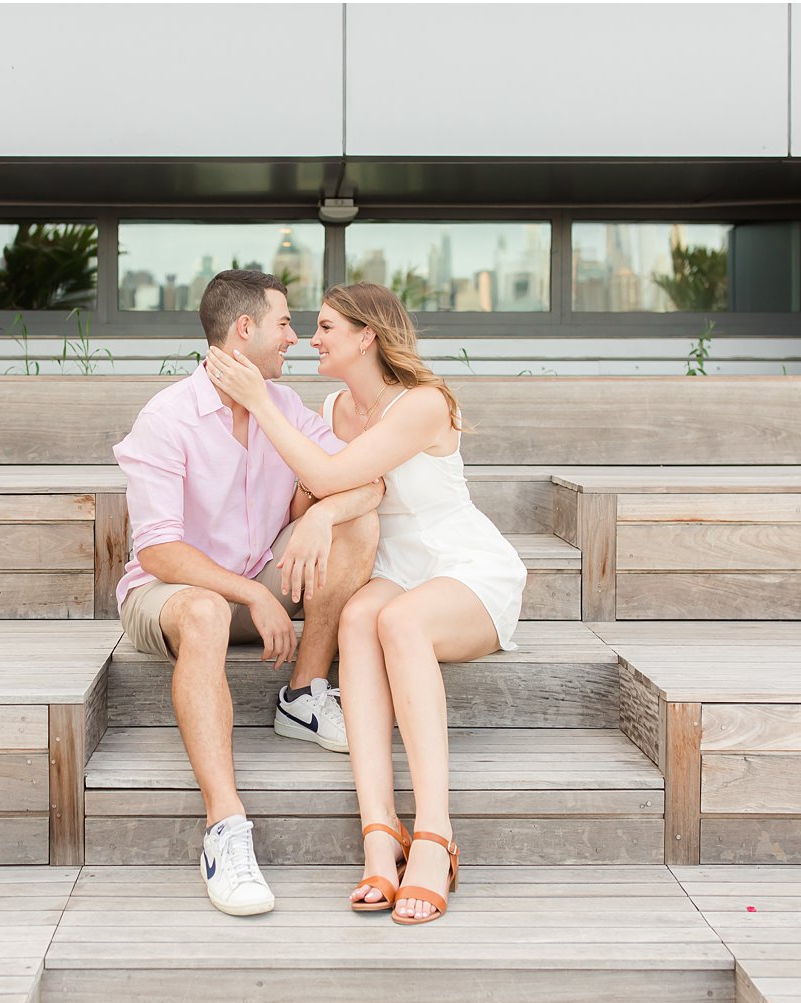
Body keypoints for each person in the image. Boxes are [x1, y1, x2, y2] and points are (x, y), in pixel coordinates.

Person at [206, 281, 526, 925]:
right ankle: (379, 838)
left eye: (325, 328)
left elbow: (329, 478)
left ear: (366, 337)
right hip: (394, 567)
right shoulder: (331, 409)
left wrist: (259, 403)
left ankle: (434, 838)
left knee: (399, 621)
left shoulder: (424, 404)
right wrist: (321, 516)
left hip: (462, 567)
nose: (310, 339)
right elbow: (320, 493)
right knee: (357, 617)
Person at [113, 270, 382, 917]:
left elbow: (368, 482)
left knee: (356, 523)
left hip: (261, 577)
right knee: (205, 608)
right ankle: (225, 827)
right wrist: (252, 596)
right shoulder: (168, 416)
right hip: (170, 594)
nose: (295, 337)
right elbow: (158, 550)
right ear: (245, 329)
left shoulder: (282, 407)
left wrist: (318, 516)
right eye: (285, 323)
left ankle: (301, 694)